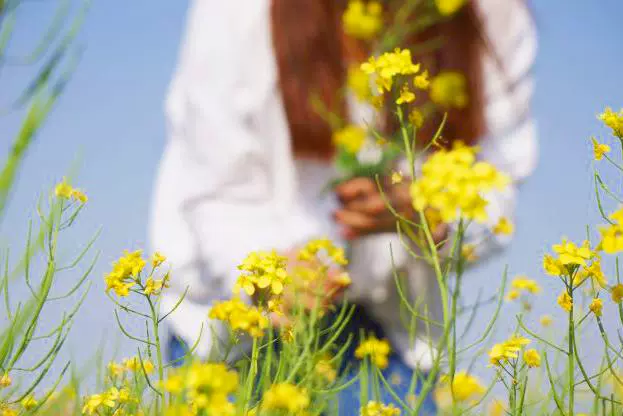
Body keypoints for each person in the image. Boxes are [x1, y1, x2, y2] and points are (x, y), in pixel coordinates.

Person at [149, 0, 537, 412]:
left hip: (389, 336)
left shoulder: (492, 12)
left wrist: (434, 215)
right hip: (236, 332)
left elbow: (498, 187)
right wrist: (268, 272)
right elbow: (211, 179)